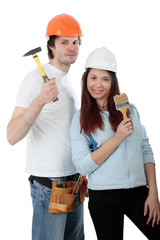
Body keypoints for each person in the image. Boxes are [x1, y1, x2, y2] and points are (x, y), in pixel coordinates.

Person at [7, 13, 84, 240]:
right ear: (51, 46)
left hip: (75, 183)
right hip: (50, 187)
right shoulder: (34, 80)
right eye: (64, 42)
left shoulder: (72, 80)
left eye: (75, 42)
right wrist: (40, 100)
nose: (71, 47)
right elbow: (11, 135)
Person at [71, 47, 160, 240]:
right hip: (104, 196)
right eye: (93, 77)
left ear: (113, 82)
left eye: (105, 79)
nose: (98, 85)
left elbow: (145, 150)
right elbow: (82, 166)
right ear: (86, 79)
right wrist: (118, 137)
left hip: (138, 192)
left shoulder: (130, 110)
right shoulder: (80, 118)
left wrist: (153, 193)